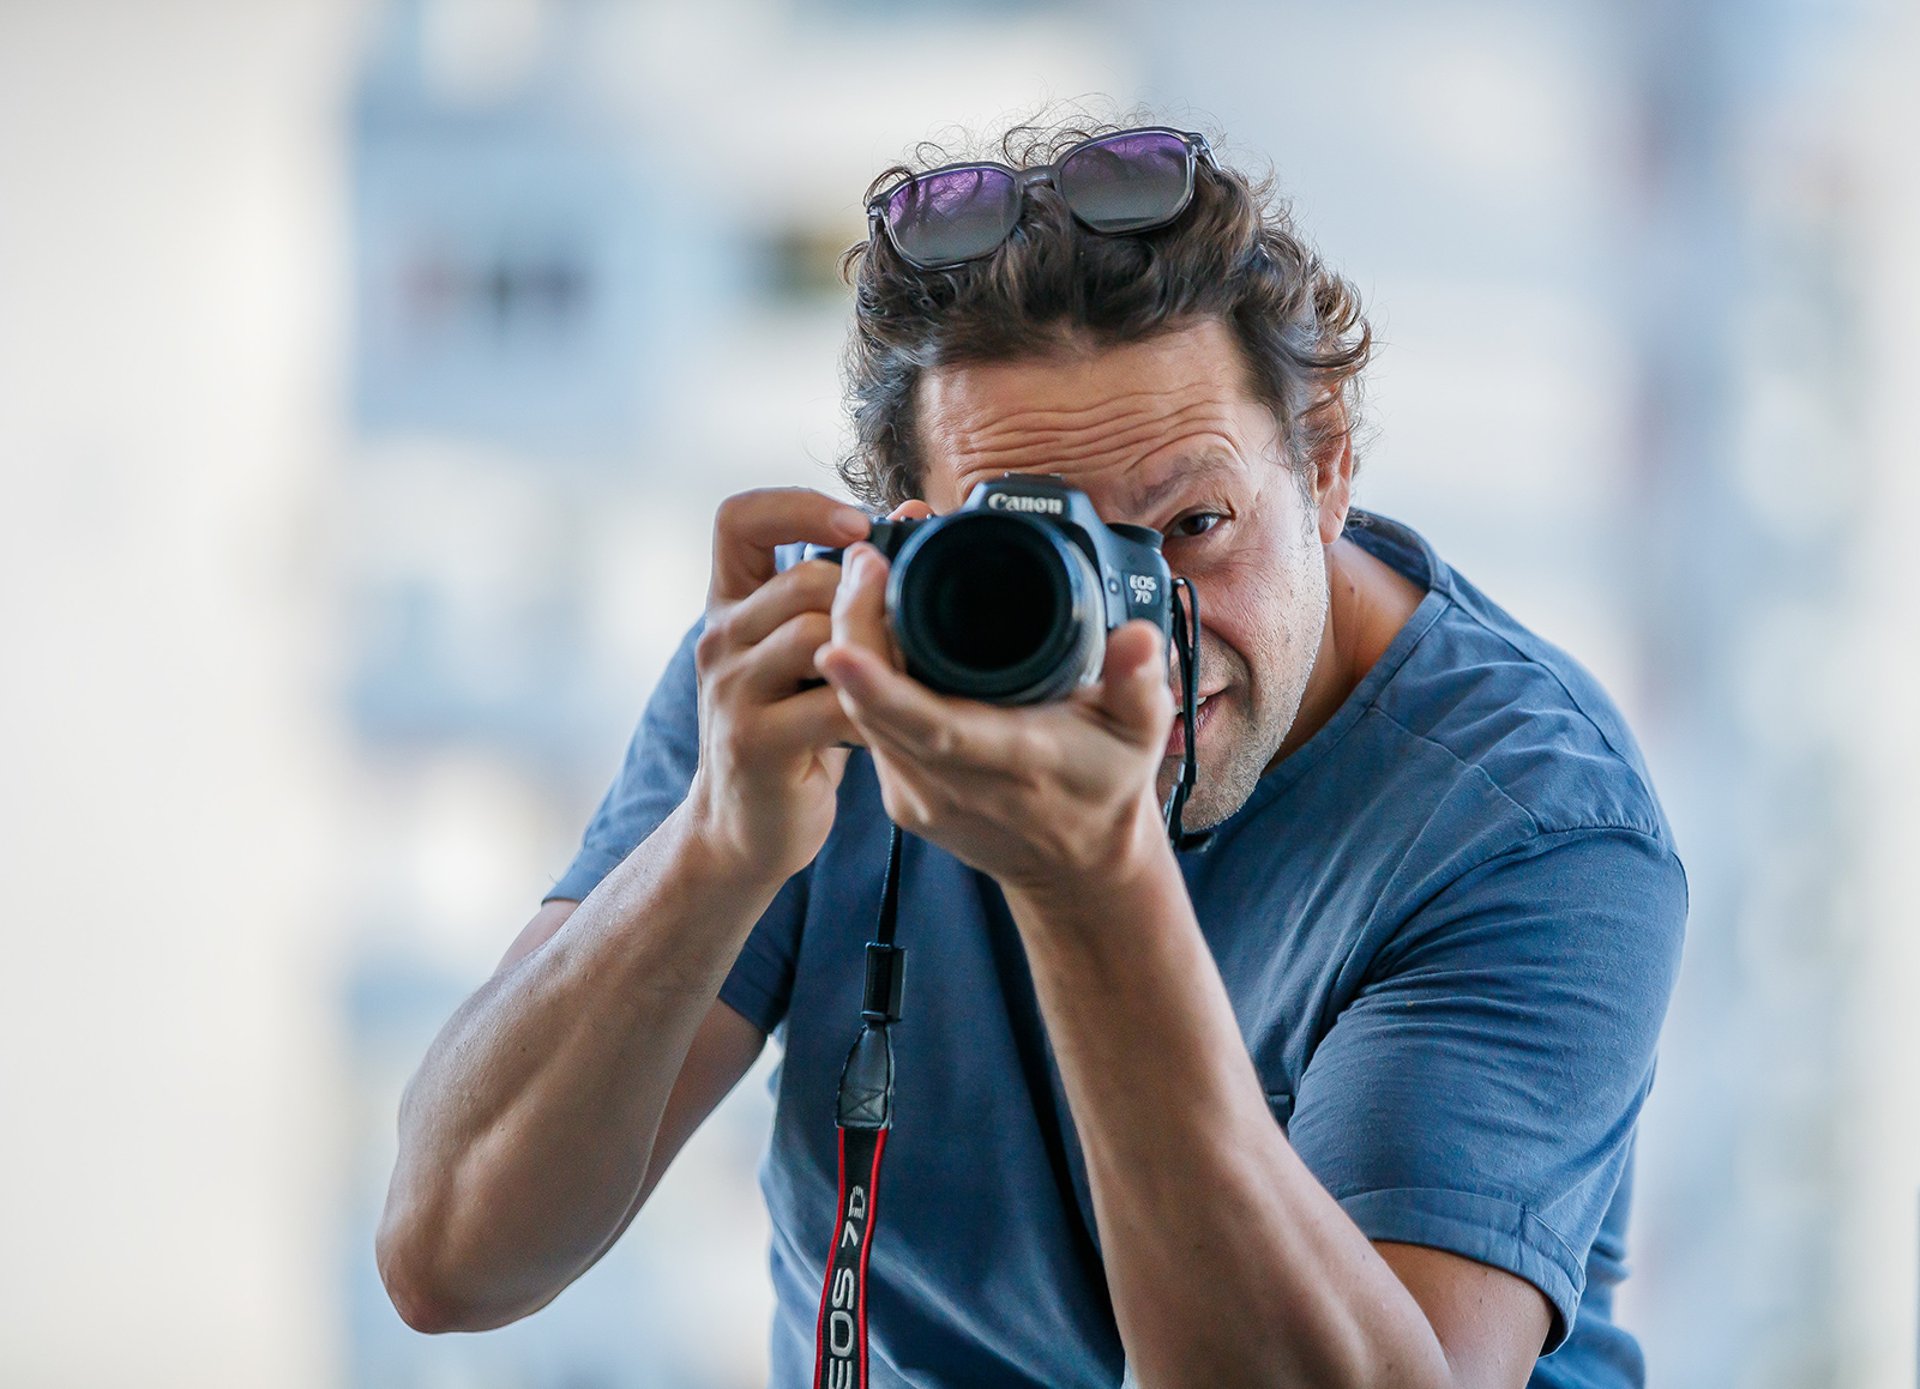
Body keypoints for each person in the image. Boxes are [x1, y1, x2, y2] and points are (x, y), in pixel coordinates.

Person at [376, 118, 1688, 1389]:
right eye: (1038, 551)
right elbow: (450, 1257)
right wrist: (713, 848)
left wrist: (1090, 888)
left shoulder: (1528, 826)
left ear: (1327, 465)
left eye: (1193, 525)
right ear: (905, 536)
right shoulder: (827, 669)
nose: (1136, 636)